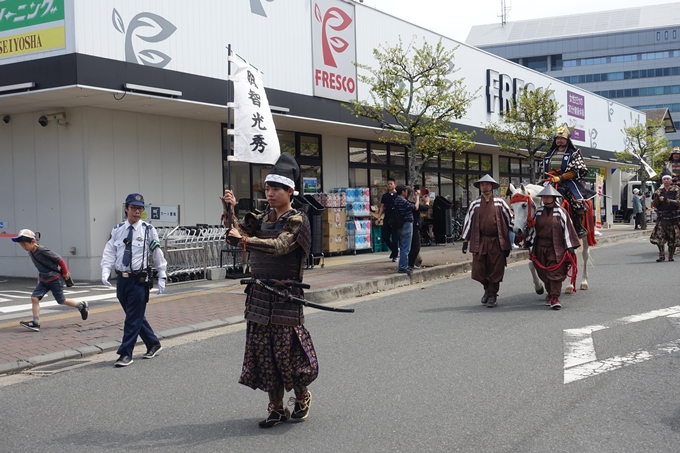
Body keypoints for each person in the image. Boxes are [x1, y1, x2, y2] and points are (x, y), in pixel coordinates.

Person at [222, 153, 318, 429]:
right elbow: (234, 234)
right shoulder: (260, 217)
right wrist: (231, 209)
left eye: (276, 188)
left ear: (290, 191)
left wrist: (245, 240)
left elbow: (279, 246)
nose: (270, 193)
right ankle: (276, 408)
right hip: (259, 298)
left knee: (289, 356)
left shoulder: (297, 220)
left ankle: (301, 397)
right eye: (267, 188)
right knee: (264, 355)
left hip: (286, 298)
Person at [101, 193, 167, 367]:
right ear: (126, 208)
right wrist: (105, 269)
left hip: (139, 280)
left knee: (132, 318)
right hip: (122, 280)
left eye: (140, 208)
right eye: (133, 208)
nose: (137, 212)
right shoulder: (117, 229)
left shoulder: (148, 230)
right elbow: (110, 251)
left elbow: (157, 253)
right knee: (135, 315)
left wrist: (162, 274)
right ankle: (153, 343)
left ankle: (126, 353)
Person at [12, 229, 89, 332]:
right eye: (21, 245)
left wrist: (65, 272)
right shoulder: (31, 252)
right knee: (34, 298)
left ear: (32, 242)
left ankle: (81, 305)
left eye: (24, 244)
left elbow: (59, 260)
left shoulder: (43, 250)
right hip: (43, 280)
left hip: (55, 279)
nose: (23, 247)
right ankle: (36, 323)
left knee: (61, 300)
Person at [461, 175, 514, 308]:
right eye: (482, 185)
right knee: (479, 269)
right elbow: (468, 222)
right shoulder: (475, 204)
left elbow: (510, 219)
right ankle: (486, 287)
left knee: (496, 268)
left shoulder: (500, 203)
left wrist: (518, 234)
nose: (484, 187)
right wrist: (465, 241)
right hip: (480, 240)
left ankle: (492, 295)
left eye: (487, 184)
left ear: (492, 186)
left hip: (497, 240)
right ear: (479, 187)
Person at [525, 185, 580, 310]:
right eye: (544, 196)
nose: (546, 198)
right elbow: (534, 229)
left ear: (554, 198)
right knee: (543, 272)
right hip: (540, 246)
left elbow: (567, 228)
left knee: (555, 272)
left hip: (557, 246)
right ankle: (550, 294)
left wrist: (570, 246)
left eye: (548, 196)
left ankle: (555, 297)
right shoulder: (538, 212)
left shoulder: (561, 212)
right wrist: (529, 241)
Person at [541, 124, 592, 238]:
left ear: (567, 139)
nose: (559, 141)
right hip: (549, 183)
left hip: (567, 183)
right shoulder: (548, 155)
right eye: (557, 138)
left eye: (562, 138)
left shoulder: (573, 154)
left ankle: (579, 228)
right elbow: (542, 170)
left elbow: (576, 171)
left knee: (577, 203)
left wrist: (561, 178)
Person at [649, 174, 680, 262]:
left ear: (670, 181)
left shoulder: (676, 189)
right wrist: (658, 198)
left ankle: (670, 256)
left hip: (673, 217)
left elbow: (678, 202)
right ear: (662, 181)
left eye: (668, 179)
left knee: (673, 238)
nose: (666, 180)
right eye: (664, 179)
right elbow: (654, 204)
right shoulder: (659, 191)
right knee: (659, 237)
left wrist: (667, 200)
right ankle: (661, 255)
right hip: (662, 217)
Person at [392, 184, 418, 275]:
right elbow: (415, 207)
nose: (407, 192)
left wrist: (412, 195)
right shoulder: (401, 200)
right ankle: (403, 267)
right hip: (406, 224)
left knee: (403, 245)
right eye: (406, 190)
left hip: (401, 224)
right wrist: (417, 198)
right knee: (406, 247)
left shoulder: (398, 200)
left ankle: (403, 265)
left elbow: (408, 203)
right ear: (403, 191)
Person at [408, 187, 430, 271]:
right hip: (414, 226)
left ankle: (409, 263)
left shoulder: (405, 202)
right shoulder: (410, 203)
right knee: (416, 246)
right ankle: (410, 264)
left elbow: (418, 206)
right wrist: (427, 202)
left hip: (410, 226)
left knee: (411, 246)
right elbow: (420, 208)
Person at [377, 178, 398, 262]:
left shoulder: (398, 195)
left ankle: (395, 256)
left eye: (391, 184)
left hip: (396, 219)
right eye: (388, 184)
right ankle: (394, 250)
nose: (389, 185)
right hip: (387, 218)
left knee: (395, 237)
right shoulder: (385, 196)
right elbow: (382, 207)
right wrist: (379, 217)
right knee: (385, 236)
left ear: (394, 185)